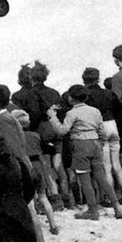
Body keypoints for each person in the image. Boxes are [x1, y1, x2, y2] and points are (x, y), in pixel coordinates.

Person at [47, 85, 122, 220]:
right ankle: (117, 206)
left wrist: (53, 117)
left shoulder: (71, 113)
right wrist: (100, 145)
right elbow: (101, 130)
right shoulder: (95, 111)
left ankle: (93, 211)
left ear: (70, 98)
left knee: (85, 179)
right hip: (95, 143)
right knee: (101, 177)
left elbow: (62, 130)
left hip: (80, 145)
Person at [83, 67, 122, 206]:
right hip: (112, 125)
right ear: (98, 78)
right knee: (117, 165)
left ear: (84, 79)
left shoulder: (87, 96)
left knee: (106, 166)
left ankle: (111, 198)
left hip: (101, 126)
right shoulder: (109, 93)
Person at [29, 61, 70, 210]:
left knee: (46, 166)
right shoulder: (54, 92)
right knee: (59, 165)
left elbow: (34, 114)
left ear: (31, 77)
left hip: (43, 130)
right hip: (56, 126)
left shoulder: (32, 93)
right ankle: (67, 196)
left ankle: (55, 197)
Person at [12, 109, 59, 235]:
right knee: (43, 196)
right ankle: (53, 224)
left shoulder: (15, 138)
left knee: (30, 200)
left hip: (25, 167)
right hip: (38, 166)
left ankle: (35, 227)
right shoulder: (35, 135)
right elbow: (43, 149)